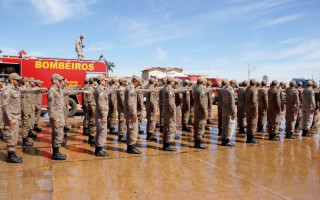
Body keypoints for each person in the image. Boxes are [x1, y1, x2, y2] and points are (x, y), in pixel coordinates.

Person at [124, 76, 144, 154]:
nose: (138, 85)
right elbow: (131, 103)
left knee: (130, 130)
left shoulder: (129, 87)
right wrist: (133, 114)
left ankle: (130, 147)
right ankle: (131, 147)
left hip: (129, 113)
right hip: (131, 113)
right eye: (138, 83)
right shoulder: (131, 89)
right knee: (133, 130)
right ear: (135, 81)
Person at [162, 77, 178, 151]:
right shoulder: (169, 90)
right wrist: (173, 113)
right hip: (169, 111)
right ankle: (168, 145)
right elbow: (171, 103)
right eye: (173, 81)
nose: (174, 82)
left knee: (166, 127)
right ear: (171, 81)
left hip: (166, 110)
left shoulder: (165, 88)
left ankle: (165, 144)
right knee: (171, 127)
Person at [221, 79, 237, 146]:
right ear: (232, 83)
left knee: (224, 125)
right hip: (229, 110)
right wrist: (234, 112)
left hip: (224, 108)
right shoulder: (230, 90)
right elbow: (232, 102)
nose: (235, 87)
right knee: (230, 125)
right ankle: (227, 140)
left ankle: (224, 139)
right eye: (235, 85)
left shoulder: (224, 89)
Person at [193, 77, 209, 149]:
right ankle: (198, 143)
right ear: (203, 82)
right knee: (200, 125)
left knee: (197, 125)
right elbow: (202, 102)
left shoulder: (196, 88)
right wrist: (205, 112)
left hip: (197, 109)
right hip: (200, 110)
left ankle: (197, 141)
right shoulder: (201, 90)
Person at [245, 79, 259, 143]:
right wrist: (255, 110)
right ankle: (251, 139)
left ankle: (248, 138)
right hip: (252, 108)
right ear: (255, 83)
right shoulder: (254, 90)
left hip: (247, 107)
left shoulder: (247, 89)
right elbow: (254, 101)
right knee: (253, 123)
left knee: (248, 123)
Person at [85, 77, 97, 144]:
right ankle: (91, 137)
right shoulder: (90, 89)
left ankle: (92, 136)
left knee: (93, 122)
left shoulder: (92, 88)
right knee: (92, 122)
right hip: (92, 107)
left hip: (93, 107)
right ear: (93, 81)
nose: (96, 82)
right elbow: (89, 101)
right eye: (95, 81)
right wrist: (92, 109)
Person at [117, 78, 127, 142]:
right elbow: (122, 100)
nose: (126, 82)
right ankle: (120, 136)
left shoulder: (122, 88)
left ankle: (122, 134)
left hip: (123, 108)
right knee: (122, 122)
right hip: (122, 109)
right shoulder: (121, 89)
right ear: (122, 82)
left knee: (123, 122)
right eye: (125, 81)